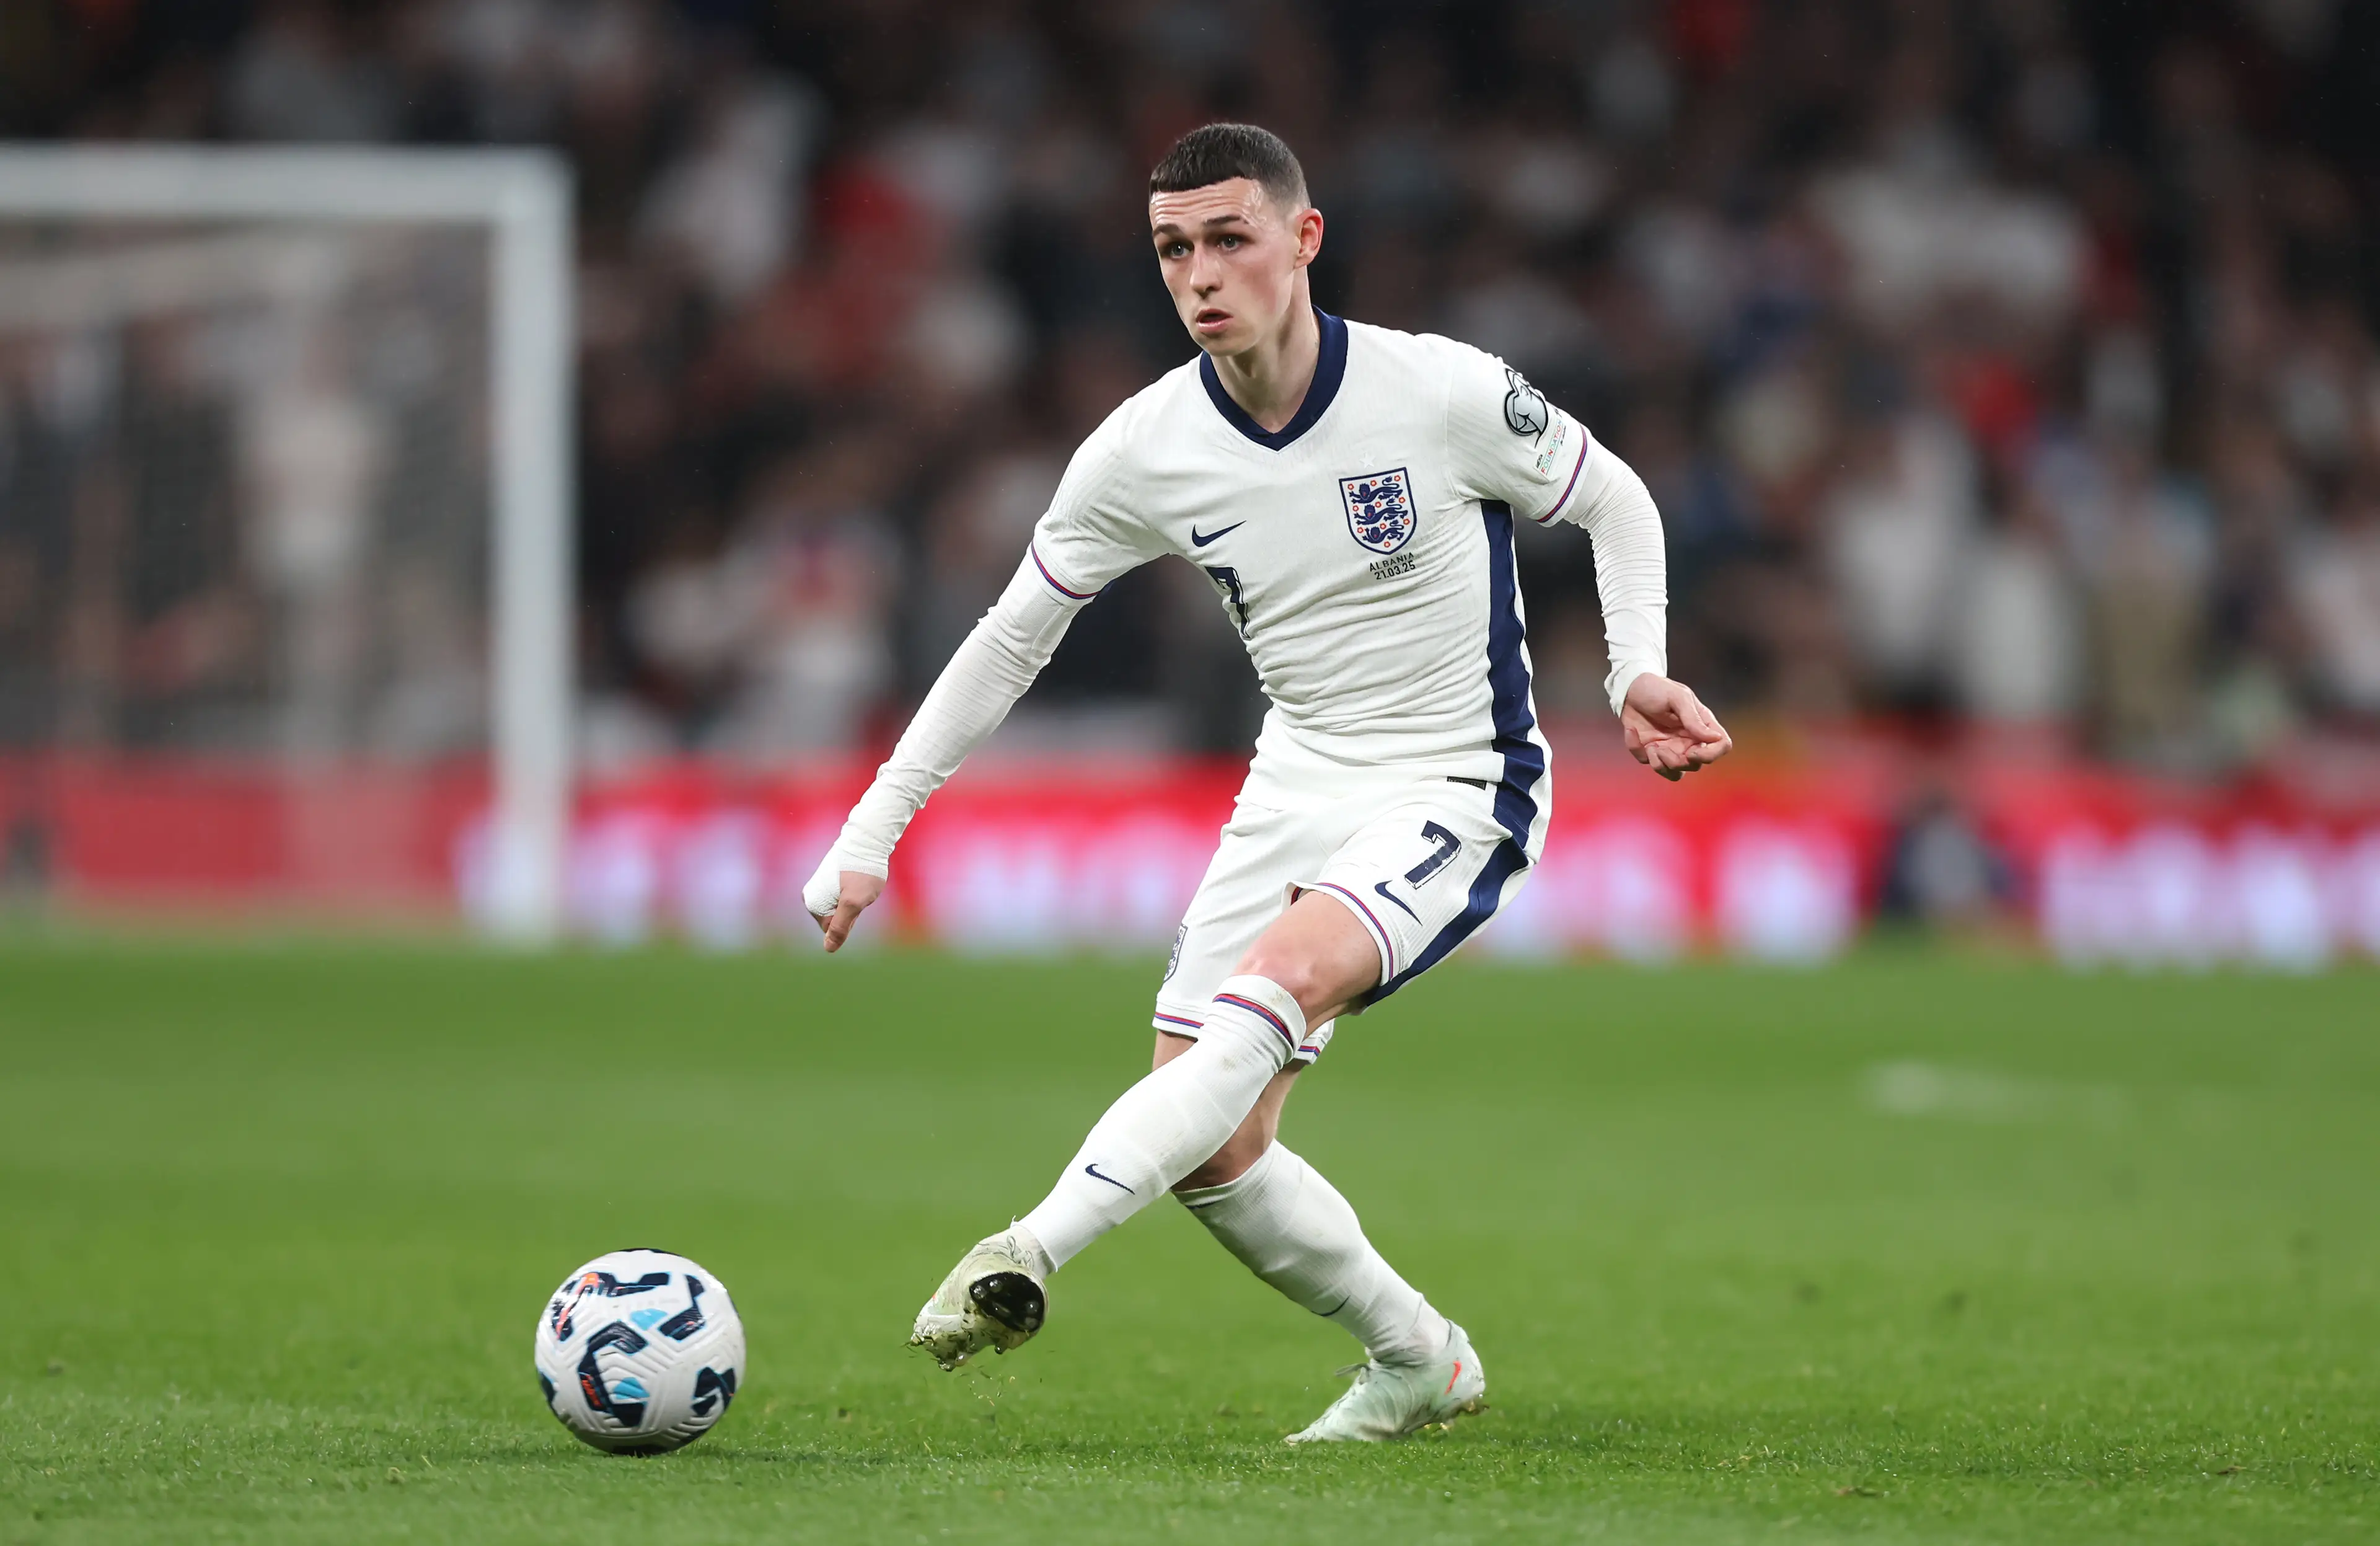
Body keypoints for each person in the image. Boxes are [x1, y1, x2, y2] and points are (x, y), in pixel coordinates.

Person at [802, 123, 1730, 1444]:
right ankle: (1418, 1357)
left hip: (1458, 776)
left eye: (1229, 238)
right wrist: (874, 826)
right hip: (1296, 774)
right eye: (1173, 248)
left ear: (1303, 239)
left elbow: (1617, 498)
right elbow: (1011, 637)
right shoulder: (1145, 448)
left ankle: (1031, 1247)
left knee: (1278, 981)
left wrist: (1635, 668)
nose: (1200, 273)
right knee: (1215, 1143)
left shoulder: (1437, 392)